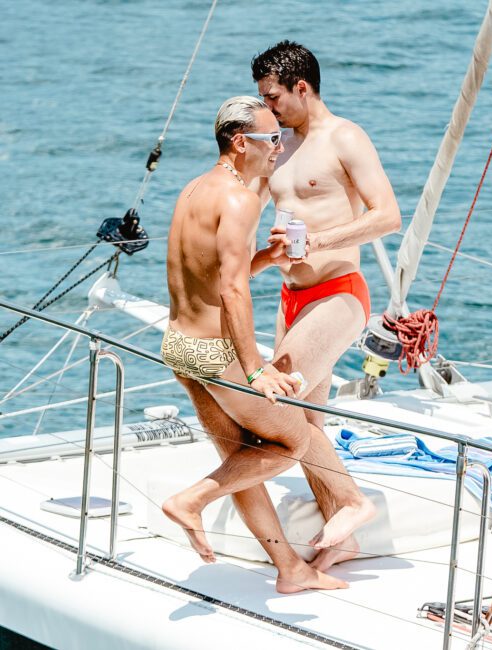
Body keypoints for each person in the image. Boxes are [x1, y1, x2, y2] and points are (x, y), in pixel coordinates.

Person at [161, 95, 347, 593]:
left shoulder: (194, 190)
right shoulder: (241, 198)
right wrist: (253, 368)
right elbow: (231, 290)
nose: (279, 147)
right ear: (240, 142)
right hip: (217, 354)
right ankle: (192, 500)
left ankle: (291, 570)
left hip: (180, 346)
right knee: (296, 439)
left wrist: (265, 256)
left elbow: (207, 273)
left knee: (242, 458)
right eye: (272, 138)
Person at [250, 41, 402, 571]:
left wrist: (321, 241)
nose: (268, 108)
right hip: (290, 297)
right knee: (307, 420)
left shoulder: (345, 137)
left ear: (302, 88)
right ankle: (341, 534)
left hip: (338, 293)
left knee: (278, 404)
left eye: (273, 98)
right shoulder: (280, 145)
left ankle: (354, 502)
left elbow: (388, 216)